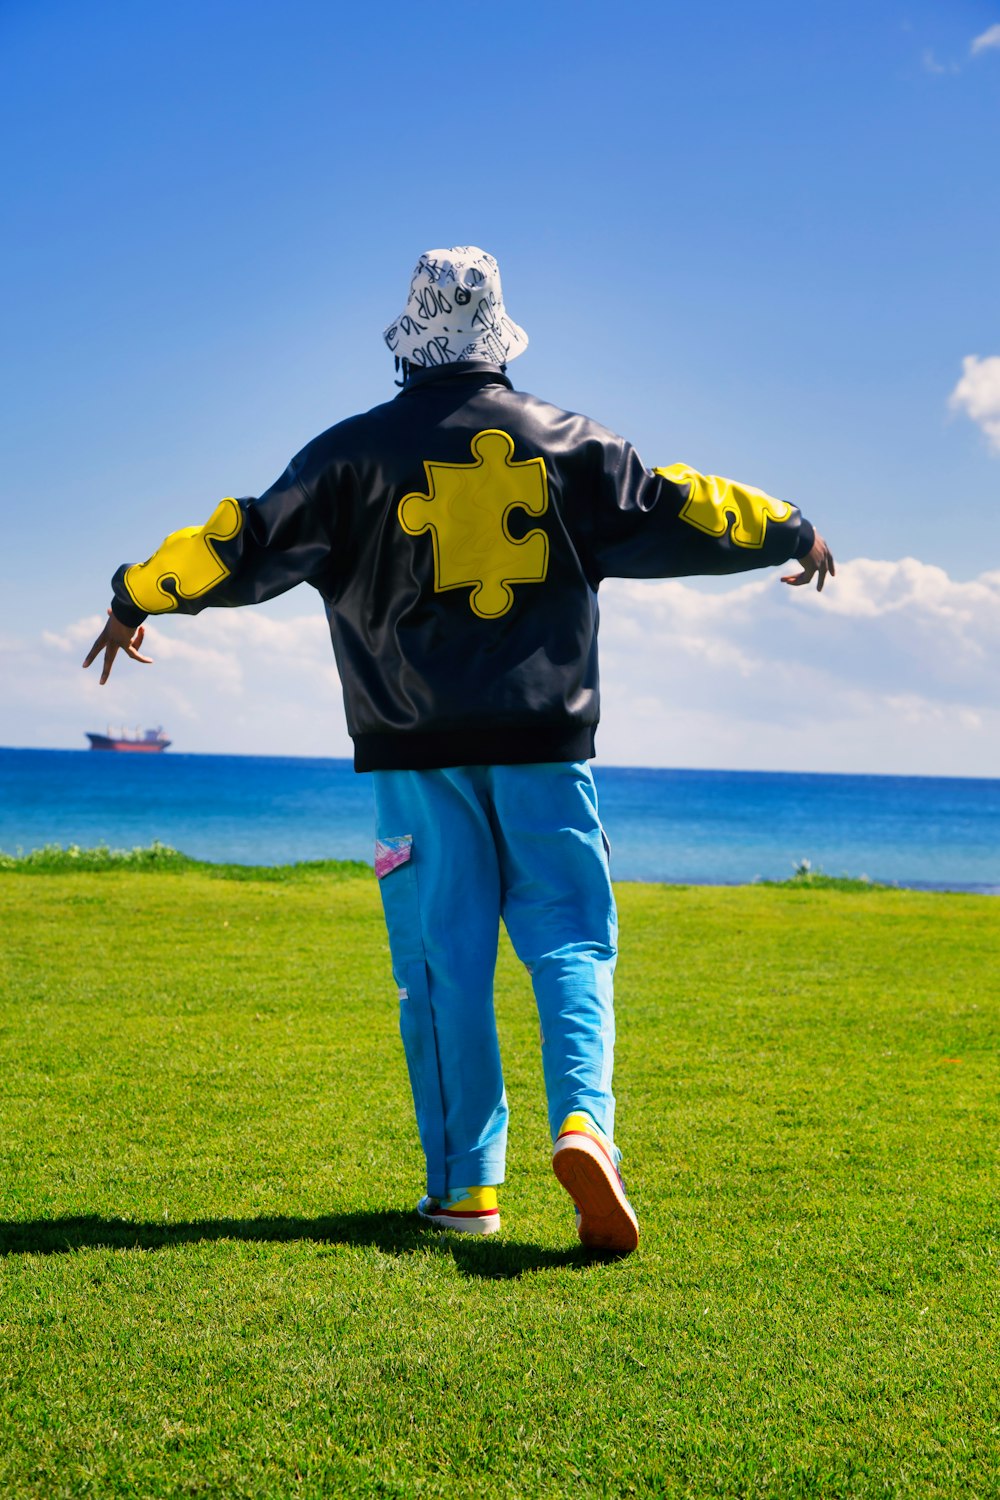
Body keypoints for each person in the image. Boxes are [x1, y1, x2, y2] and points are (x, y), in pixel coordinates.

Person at [84, 246, 834, 1256]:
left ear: (409, 345)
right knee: (570, 935)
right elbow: (686, 505)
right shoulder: (578, 446)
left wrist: (136, 591)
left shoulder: (344, 457)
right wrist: (792, 531)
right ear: (499, 340)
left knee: (444, 964)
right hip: (545, 741)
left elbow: (240, 540)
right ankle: (585, 1127)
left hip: (412, 748)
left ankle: (465, 1188)